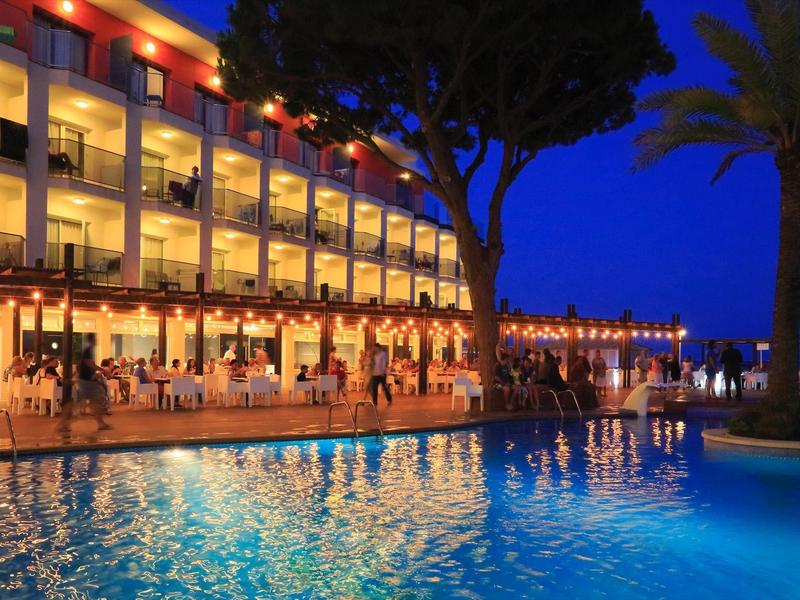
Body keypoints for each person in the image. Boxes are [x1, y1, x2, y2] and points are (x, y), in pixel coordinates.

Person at [59, 333, 111, 434]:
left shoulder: (89, 350)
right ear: (92, 340)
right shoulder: (88, 350)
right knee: (83, 402)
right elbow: (89, 364)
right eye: (95, 339)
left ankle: (100, 423)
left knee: (90, 401)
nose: (97, 341)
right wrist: (103, 370)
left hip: (86, 381)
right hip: (86, 382)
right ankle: (63, 424)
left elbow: (89, 364)